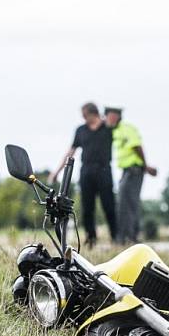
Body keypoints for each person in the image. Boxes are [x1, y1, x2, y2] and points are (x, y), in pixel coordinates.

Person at [50, 103, 117, 246]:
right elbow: (71, 151)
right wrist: (57, 172)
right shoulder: (81, 130)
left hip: (104, 170)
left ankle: (116, 236)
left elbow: (117, 121)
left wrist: (109, 120)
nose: (83, 117)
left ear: (93, 113)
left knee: (109, 205)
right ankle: (91, 238)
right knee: (87, 207)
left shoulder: (108, 128)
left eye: (84, 115)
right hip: (86, 171)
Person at [104, 107, 157, 244]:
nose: (106, 119)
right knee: (123, 204)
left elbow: (137, 146)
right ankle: (125, 237)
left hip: (134, 170)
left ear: (116, 116)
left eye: (108, 116)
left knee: (129, 204)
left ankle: (131, 237)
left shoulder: (126, 128)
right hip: (126, 171)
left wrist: (145, 166)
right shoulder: (115, 131)